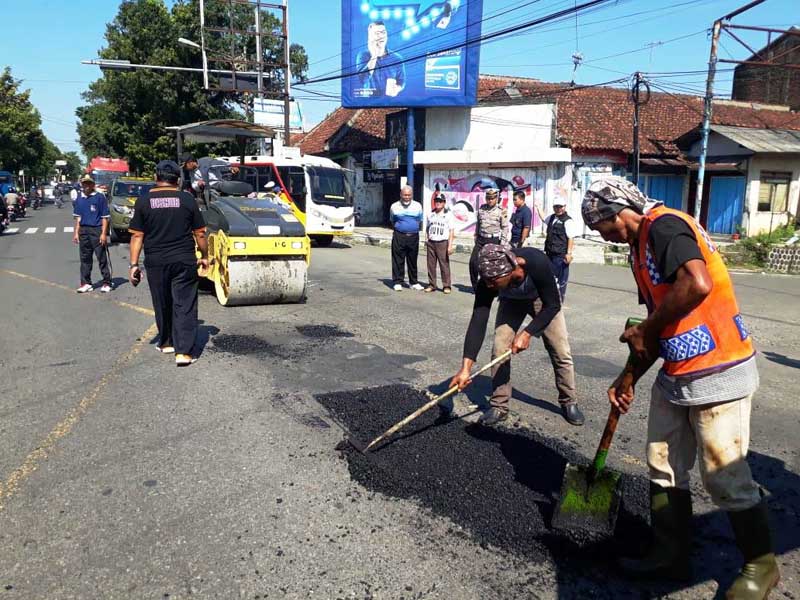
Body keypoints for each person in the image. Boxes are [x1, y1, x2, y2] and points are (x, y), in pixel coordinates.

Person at [581, 176, 778, 597]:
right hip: (678, 370)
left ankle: (760, 567)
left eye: (602, 228)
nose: (606, 237)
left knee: (723, 472)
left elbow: (697, 283)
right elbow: (658, 321)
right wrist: (627, 377)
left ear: (618, 213)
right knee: (663, 461)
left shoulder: (664, 226)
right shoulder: (638, 249)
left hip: (718, 367)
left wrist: (647, 329)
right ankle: (669, 554)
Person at [449, 244, 585, 426]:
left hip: (542, 301)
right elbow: (478, 320)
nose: (489, 286)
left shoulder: (536, 261)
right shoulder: (488, 281)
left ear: (510, 270)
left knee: (560, 350)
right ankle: (499, 405)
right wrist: (466, 368)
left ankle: (569, 401)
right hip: (512, 301)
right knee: (499, 349)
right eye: (487, 281)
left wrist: (527, 333)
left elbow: (553, 305)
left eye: (493, 281)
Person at [128, 160, 209, 367]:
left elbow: (137, 236)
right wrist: (205, 255)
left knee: (162, 300)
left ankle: (166, 342)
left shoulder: (144, 201)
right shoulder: (187, 199)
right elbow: (200, 233)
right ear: (178, 179)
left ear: (156, 178)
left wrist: (134, 265)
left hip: (156, 261)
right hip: (183, 259)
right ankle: (183, 352)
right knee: (184, 303)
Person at [72, 175, 112, 294]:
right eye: (84, 184)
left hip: (96, 230)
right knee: (85, 258)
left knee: (101, 257)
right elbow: (78, 218)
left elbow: (105, 218)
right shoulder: (80, 199)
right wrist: (76, 233)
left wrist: (104, 234)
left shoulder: (100, 198)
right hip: (84, 231)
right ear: (82, 185)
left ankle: (107, 282)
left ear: (93, 185)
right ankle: (86, 283)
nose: (86, 186)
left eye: (89, 183)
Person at [534, 199, 580, 301]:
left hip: (560, 255)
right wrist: (538, 207)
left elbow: (571, 238)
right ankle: (550, 301)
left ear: (564, 207)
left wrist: (569, 254)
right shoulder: (552, 218)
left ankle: (559, 302)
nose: (558, 209)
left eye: (560, 206)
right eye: (556, 207)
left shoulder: (568, 221)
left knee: (560, 281)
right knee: (550, 279)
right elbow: (544, 218)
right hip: (550, 253)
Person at [469, 188, 508, 288]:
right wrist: (476, 235)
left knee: (491, 266)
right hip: (481, 239)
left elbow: (505, 227)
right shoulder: (482, 209)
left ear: (496, 198)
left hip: (493, 240)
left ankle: (492, 287)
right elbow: (478, 223)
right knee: (473, 262)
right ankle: (475, 286)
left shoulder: (501, 211)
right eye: (488, 198)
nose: (490, 200)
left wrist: (502, 243)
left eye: (492, 198)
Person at [355, 21, 405, 98]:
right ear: (370, 37)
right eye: (377, 33)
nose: (381, 36)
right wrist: (374, 55)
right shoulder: (363, 55)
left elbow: (401, 81)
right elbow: (363, 79)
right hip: (368, 104)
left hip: (391, 104)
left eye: (383, 32)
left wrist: (397, 89)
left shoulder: (397, 58)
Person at [390, 185, 424, 291]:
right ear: (401, 194)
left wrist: (410, 228)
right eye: (405, 195)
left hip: (413, 236)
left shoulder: (418, 206)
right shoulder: (394, 206)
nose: (407, 197)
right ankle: (397, 281)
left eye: (409, 195)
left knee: (412, 260)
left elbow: (419, 220)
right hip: (399, 236)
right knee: (398, 259)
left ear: (412, 195)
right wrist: (402, 228)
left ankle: (413, 282)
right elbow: (393, 220)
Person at [424, 193, 455, 294]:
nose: (438, 203)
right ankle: (432, 284)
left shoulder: (448, 215)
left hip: (442, 242)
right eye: (436, 201)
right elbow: (427, 228)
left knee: (444, 265)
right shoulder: (430, 214)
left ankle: (446, 285)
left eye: (440, 201)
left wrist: (450, 246)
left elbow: (451, 231)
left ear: (444, 203)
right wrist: (426, 239)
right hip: (431, 242)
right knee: (431, 265)